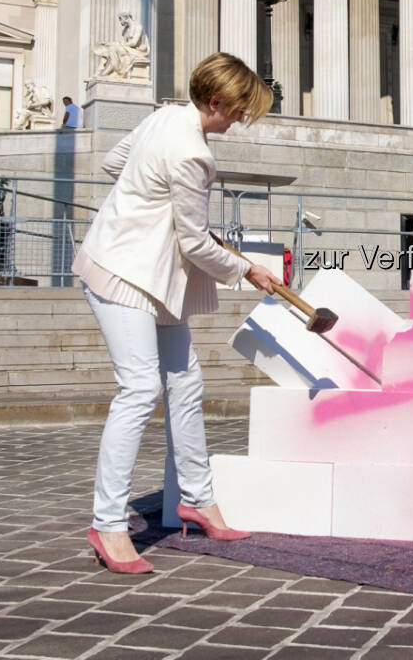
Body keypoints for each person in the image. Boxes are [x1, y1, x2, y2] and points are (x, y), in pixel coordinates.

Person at [74, 52, 283, 574]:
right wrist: (248, 270)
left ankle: (197, 498)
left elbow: (114, 164)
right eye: (237, 111)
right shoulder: (193, 153)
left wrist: (150, 194)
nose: (238, 122)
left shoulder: (165, 115)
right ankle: (107, 525)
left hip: (154, 276)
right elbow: (194, 243)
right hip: (124, 270)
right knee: (141, 388)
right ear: (215, 102)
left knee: (185, 382)